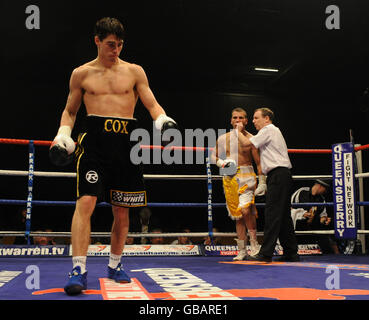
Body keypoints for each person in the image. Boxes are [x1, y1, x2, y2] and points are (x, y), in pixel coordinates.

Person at [49, 17, 177, 295]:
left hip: (127, 143)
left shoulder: (134, 71)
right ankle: (78, 269)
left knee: (122, 210)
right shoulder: (81, 73)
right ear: (97, 41)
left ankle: (115, 264)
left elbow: (151, 103)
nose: (115, 49)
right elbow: (70, 110)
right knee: (86, 201)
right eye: (110, 44)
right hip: (94, 143)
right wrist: (63, 132)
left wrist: (163, 120)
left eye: (119, 44)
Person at [235, 107, 299, 262]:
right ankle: (291, 252)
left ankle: (266, 253)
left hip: (278, 175)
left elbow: (246, 144)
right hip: (280, 175)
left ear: (267, 119)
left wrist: (237, 130)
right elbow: (252, 140)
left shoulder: (269, 129)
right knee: (283, 216)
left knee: (272, 214)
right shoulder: (271, 131)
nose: (253, 121)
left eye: (256, 118)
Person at [212, 107, 266, 260]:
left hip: (247, 175)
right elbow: (213, 156)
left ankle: (254, 244)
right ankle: (241, 250)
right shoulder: (223, 138)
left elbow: (259, 163)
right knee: (238, 216)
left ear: (246, 121)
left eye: (241, 118)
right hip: (229, 178)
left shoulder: (251, 139)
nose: (238, 121)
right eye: (235, 118)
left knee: (245, 210)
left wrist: (262, 181)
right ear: (231, 120)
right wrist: (222, 163)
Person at [291, 179, 339, 254]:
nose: (325, 191)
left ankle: (337, 256)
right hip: (297, 223)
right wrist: (301, 214)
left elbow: (323, 216)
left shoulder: (321, 199)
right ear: (320, 186)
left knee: (327, 232)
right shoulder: (302, 192)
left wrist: (325, 220)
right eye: (325, 189)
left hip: (312, 225)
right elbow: (288, 207)